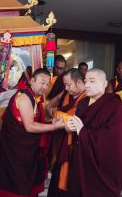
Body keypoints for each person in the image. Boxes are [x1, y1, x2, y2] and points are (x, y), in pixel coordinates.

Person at [0, 68, 65, 197]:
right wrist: (55, 126)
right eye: (42, 82)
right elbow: (29, 126)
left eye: (47, 84)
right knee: (13, 185)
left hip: (24, 151)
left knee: (24, 184)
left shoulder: (34, 98)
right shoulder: (24, 98)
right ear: (32, 80)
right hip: (13, 152)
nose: (44, 87)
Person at [66, 68, 122, 197]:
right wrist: (69, 128)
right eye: (86, 81)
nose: (87, 84)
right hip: (82, 159)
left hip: (103, 165)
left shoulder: (114, 105)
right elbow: (77, 130)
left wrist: (83, 132)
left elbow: (113, 137)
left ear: (104, 84)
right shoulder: (83, 103)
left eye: (92, 81)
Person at [46, 68, 86, 197]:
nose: (67, 88)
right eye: (65, 85)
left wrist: (61, 118)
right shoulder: (66, 94)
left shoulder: (87, 98)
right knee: (56, 180)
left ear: (79, 82)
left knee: (70, 182)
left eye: (69, 85)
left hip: (75, 147)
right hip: (61, 144)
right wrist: (56, 116)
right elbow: (49, 108)